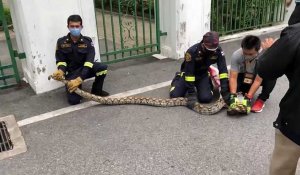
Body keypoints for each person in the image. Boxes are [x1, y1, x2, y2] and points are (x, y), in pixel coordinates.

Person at [257, 24, 300, 174]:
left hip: (295, 122)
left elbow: (266, 69)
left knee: (282, 168)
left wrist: (270, 50)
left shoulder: (295, 33)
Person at [52, 14, 109, 105]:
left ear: (81, 27)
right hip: (72, 73)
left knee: (102, 67)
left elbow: (89, 62)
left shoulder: (87, 42)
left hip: (85, 70)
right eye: (72, 26)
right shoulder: (61, 42)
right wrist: (61, 71)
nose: (75, 28)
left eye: (77, 26)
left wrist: (80, 78)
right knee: (74, 101)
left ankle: (97, 91)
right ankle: (76, 88)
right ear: (68, 27)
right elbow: (61, 61)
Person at [170, 31, 230, 106]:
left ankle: (208, 82)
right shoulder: (192, 52)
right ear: (204, 44)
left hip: (203, 74)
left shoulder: (218, 51)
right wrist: (191, 93)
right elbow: (189, 74)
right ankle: (178, 77)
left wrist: (224, 90)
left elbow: (223, 71)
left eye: (215, 48)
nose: (213, 51)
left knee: (206, 98)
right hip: (188, 74)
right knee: (175, 95)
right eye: (211, 49)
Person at [228, 35, 276, 114]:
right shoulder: (236, 55)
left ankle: (261, 99)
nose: (247, 56)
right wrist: (233, 95)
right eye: (245, 53)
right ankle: (241, 92)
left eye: (250, 54)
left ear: (258, 50)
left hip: (260, 77)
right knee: (230, 90)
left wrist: (248, 97)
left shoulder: (264, 55)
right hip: (246, 76)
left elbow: (258, 80)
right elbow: (233, 77)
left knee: (272, 74)